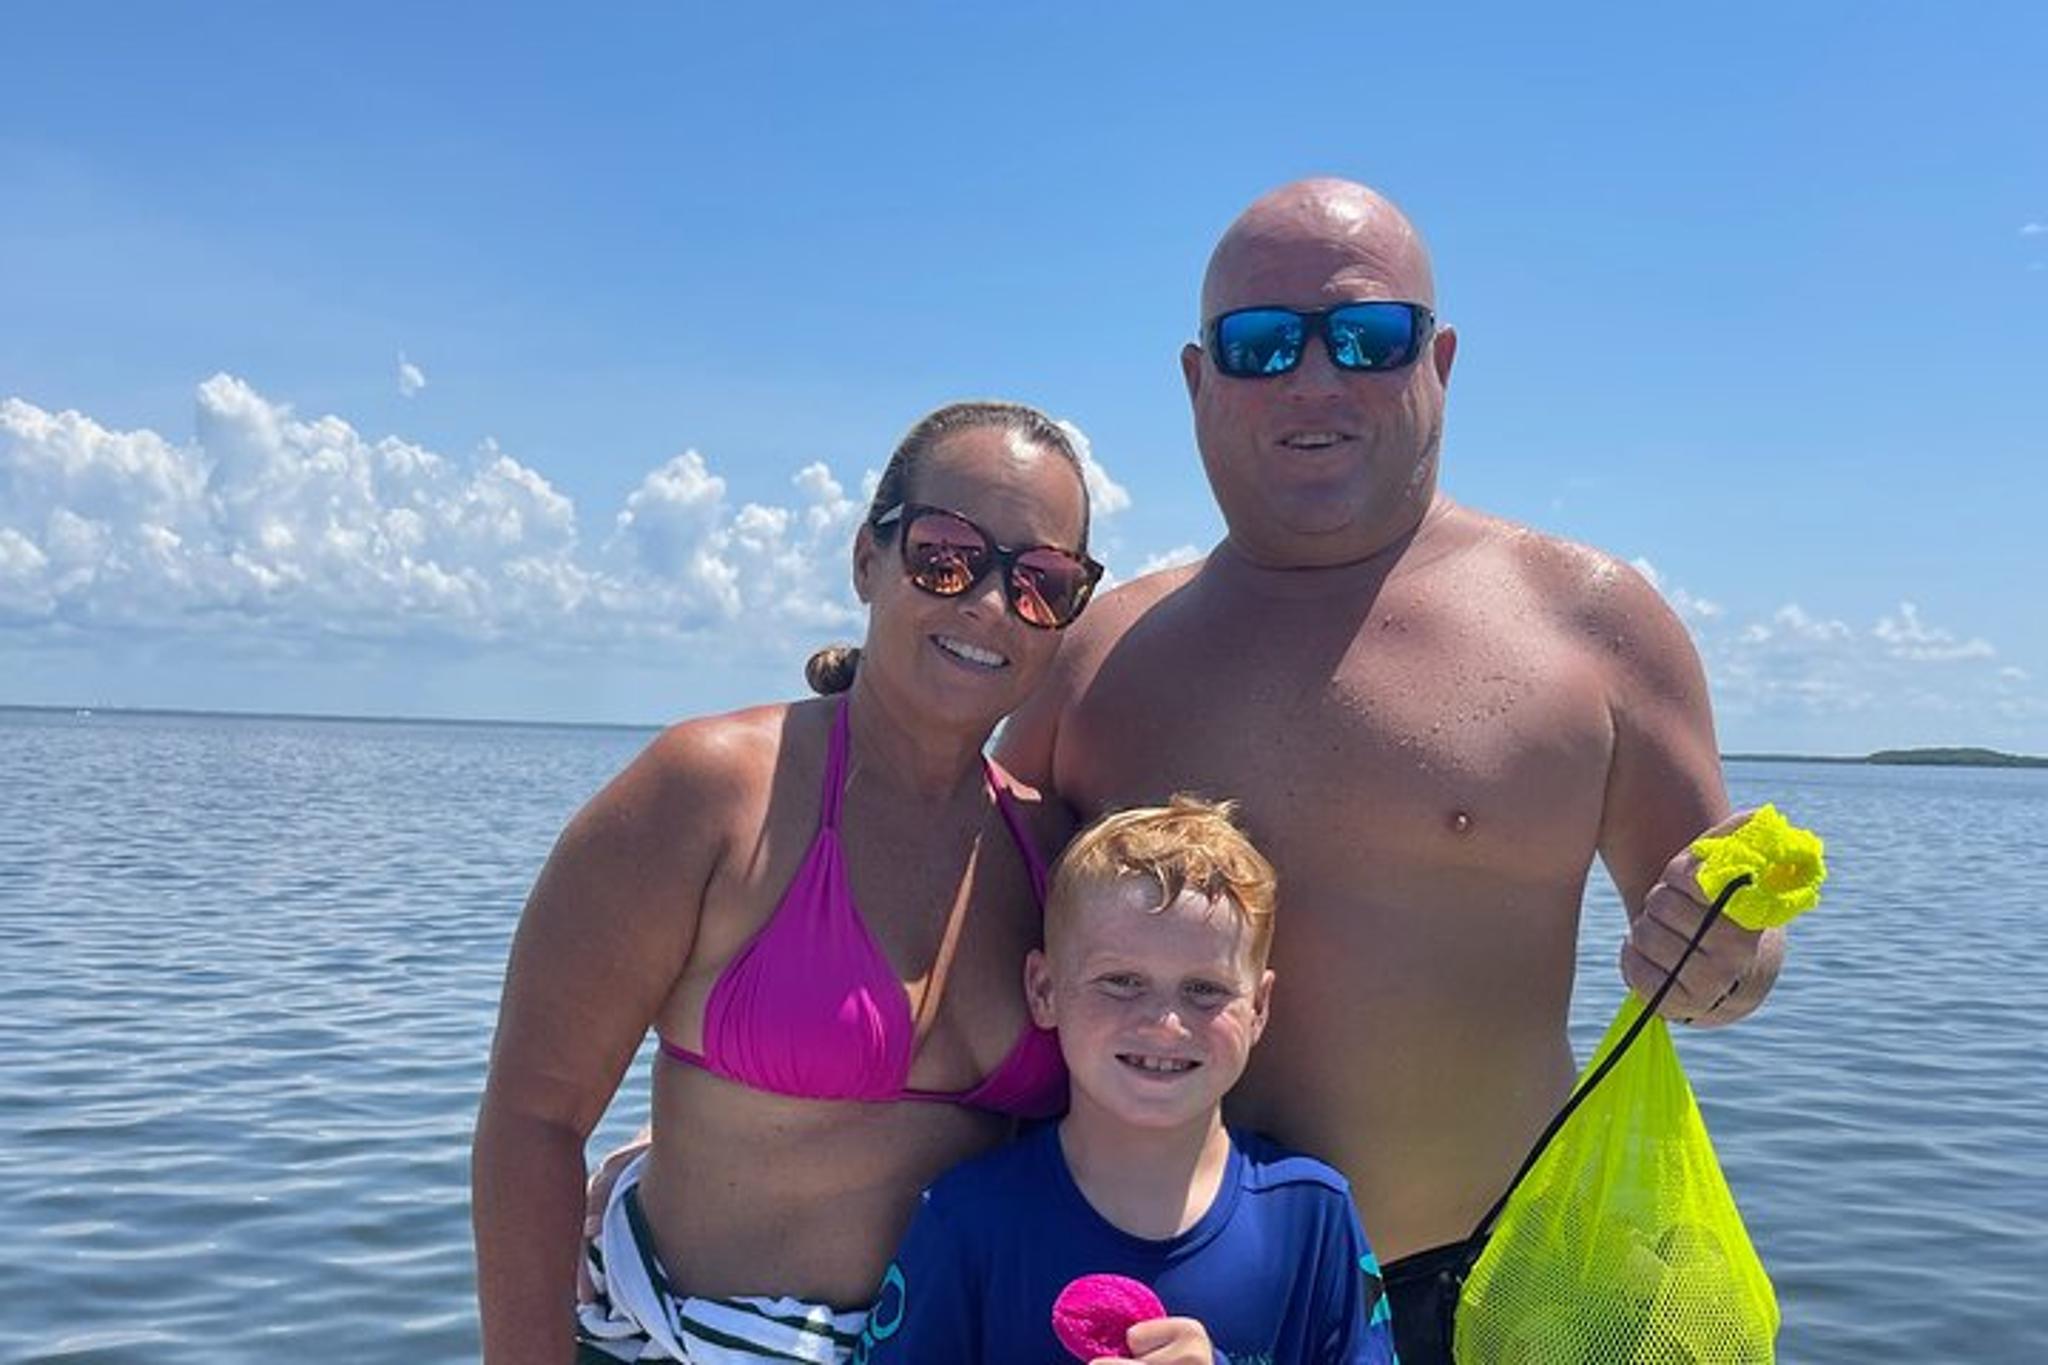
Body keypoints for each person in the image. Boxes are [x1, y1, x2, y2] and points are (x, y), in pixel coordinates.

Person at [995, 178, 1786, 1365]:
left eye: (1367, 337)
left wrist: (1723, 964)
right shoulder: (1097, 654)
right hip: (1163, 1301)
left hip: (1503, 1292)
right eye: (1259, 345)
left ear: (1441, 359)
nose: (1313, 378)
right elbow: (952, 938)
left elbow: (1728, 949)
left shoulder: (1593, 623)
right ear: (1197, 379)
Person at [472, 399, 1106, 1364]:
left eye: (1041, 580)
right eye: (946, 555)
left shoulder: (1053, 853)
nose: (987, 601)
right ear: (867, 560)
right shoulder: (710, 793)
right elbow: (533, 1118)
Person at [856, 796, 1398, 1365]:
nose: (1164, 1023)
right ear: (1044, 990)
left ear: (1259, 1007)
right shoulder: (967, 1217)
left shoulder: (1311, 1214)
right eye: (1121, 981)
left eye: (1205, 990)